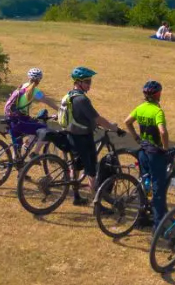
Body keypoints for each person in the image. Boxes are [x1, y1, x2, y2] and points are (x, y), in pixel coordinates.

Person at [61, 66, 124, 204]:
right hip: (83, 137)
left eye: (90, 81)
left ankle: (76, 196)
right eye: (87, 82)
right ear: (78, 82)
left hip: (71, 135)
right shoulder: (82, 100)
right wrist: (114, 128)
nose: (90, 84)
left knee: (76, 166)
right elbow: (97, 119)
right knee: (91, 170)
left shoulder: (68, 95)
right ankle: (96, 201)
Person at [124, 80, 169, 232]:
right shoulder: (157, 111)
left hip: (142, 151)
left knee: (145, 183)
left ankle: (142, 216)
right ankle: (158, 225)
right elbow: (162, 132)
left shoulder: (140, 108)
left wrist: (136, 137)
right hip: (155, 154)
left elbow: (127, 122)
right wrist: (165, 148)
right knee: (158, 189)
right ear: (158, 95)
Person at [3, 68, 58, 151]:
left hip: (10, 118)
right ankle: (34, 154)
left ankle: (17, 158)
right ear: (39, 80)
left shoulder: (21, 86)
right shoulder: (34, 91)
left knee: (17, 147)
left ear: (28, 77)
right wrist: (60, 109)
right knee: (45, 131)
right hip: (19, 120)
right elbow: (46, 101)